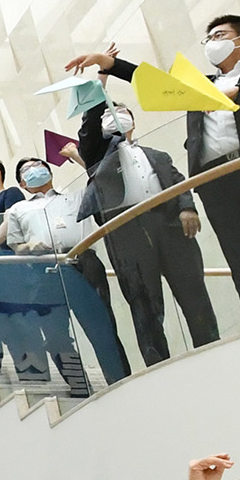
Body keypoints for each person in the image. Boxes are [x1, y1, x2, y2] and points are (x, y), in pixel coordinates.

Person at [72, 19, 240, 327]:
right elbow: (153, 81)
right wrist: (107, 63)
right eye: (208, 38)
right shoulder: (199, 85)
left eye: (220, 35)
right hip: (218, 184)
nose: (212, 42)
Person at [75, 99, 217, 366]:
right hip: (128, 234)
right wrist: (98, 95)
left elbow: (177, 181)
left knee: (193, 292)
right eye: (109, 114)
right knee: (144, 303)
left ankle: (210, 348)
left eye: (121, 112)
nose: (116, 117)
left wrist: (187, 207)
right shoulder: (96, 158)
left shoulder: (158, 155)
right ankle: (158, 364)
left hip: (169, 226)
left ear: (133, 119)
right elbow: (87, 133)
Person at [0, 157, 127, 390]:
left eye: (39, 166)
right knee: (55, 336)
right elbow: (16, 245)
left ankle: (120, 382)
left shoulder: (75, 197)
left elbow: (102, 184)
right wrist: (30, 247)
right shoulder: (17, 209)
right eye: (27, 169)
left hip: (83, 264)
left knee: (102, 328)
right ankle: (79, 385)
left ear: (50, 173)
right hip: (43, 271)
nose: (34, 170)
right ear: (22, 183)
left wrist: (79, 158)